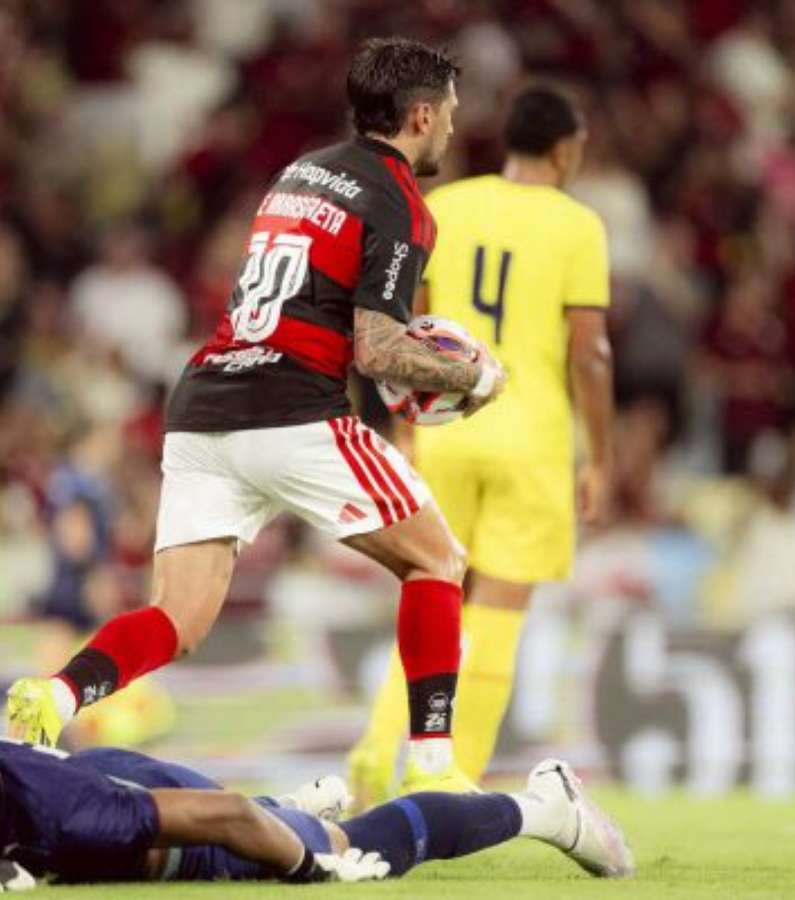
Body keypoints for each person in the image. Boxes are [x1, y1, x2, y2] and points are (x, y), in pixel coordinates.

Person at [7, 37, 507, 792]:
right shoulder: (401, 203)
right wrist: (473, 375)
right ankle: (434, 764)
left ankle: (57, 695)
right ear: (421, 116)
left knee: (178, 617)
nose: (453, 127)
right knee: (437, 560)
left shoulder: (299, 174)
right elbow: (377, 350)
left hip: (204, 407)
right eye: (449, 113)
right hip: (292, 410)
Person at [348, 85, 615, 803]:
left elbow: (411, 324)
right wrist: (602, 458)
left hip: (448, 432)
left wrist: (409, 429)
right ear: (565, 148)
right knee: (497, 618)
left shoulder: (451, 206)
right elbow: (591, 353)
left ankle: (377, 747)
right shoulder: (578, 225)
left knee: (430, 593)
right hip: (532, 439)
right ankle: (449, 786)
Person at [0, 717, 633, 889]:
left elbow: (219, 818)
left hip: (180, 823)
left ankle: (544, 808)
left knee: (351, 844)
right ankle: (291, 803)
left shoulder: (79, 816)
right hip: (103, 777)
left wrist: (307, 868)